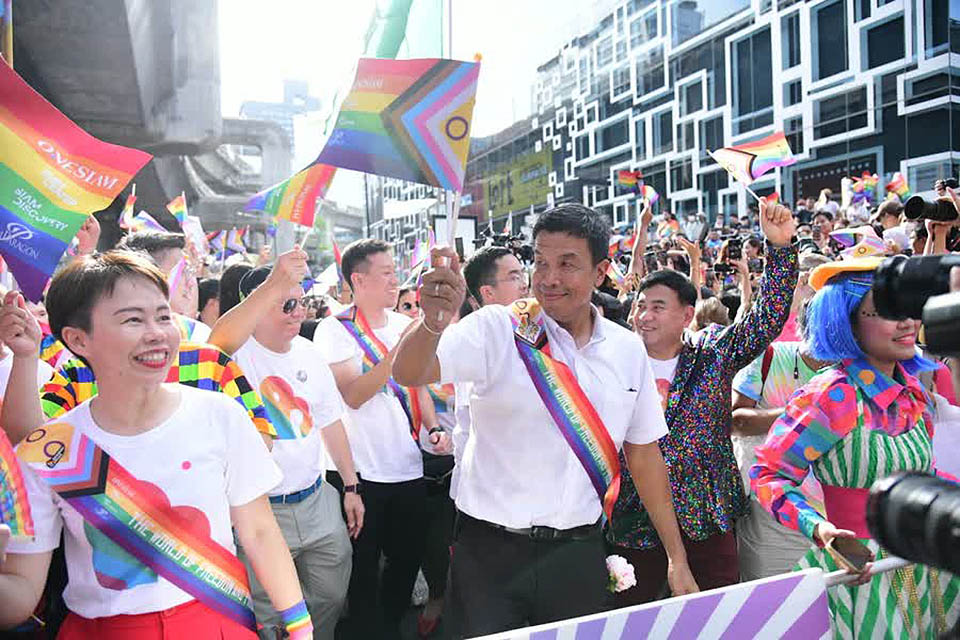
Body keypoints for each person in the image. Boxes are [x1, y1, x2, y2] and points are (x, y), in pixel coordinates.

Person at [392, 203, 698, 637]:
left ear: (601, 272)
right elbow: (410, 372)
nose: (549, 278)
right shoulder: (498, 328)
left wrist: (676, 556)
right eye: (540, 262)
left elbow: (645, 455)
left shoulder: (627, 350)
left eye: (567, 264)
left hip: (577, 552)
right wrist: (432, 323)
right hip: (489, 554)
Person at [0, 252, 314, 639]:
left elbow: (260, 532)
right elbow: (21, 594)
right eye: (133, 319)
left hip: (217, 625)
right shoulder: (53, 449)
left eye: (163, 316)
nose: (157, 333)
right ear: (78, 339)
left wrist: (301, 628)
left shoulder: (219, 415)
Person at [751, 258, 960, 637]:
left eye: (908, 308)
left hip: (923, 563)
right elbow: (768, 475)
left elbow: (924, 473)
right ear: (846, 322)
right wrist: (820, 529)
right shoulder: (829, 396)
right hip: (862, 577)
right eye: (887, 311)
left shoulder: (914, 390)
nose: (907, 322)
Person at [608, 198, 797, 606]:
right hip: (636, 521)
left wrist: (781, 248)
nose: (644, 316)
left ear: (686, 315)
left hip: (707, 518)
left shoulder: (712, 354)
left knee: (718, 614)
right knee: (632, 619)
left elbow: (766, 318)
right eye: (640, 306)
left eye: (658, 307)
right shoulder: (614, 362)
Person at [313, 239, 441, 639]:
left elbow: (418, 387)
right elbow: (353, 394)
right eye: (386, 273)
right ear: (358, 280)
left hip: (407, 467)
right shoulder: (335, 329)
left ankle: (390, 628)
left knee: (407, 561)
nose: (394, 280)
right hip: (359, 473)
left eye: (394, 271)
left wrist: (433, 428)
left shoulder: (405, 325)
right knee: (363, 571)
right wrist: (398, 352)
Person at [232, 265, 364, 640]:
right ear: (256, 304)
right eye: (287, 304)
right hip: (261, 510)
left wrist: (351, 487)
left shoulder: (310, 353)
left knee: (331, 595)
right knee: (269, 612)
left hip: (316, 499)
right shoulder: (233, 357)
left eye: (301, 302)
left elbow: (330, 422)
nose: (298, 312)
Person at [730, 303, 831, 581]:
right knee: (769, 597)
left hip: (831, 514)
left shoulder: (854, 370)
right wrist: (798, 414)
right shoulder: (770, 357)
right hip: (771, 511)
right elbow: (736, 421)